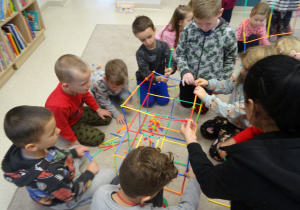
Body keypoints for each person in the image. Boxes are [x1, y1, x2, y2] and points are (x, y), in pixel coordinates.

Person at [181, 55, 300, 209]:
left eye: (244, 99)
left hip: (238, 133)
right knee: (208, 129)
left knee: (216, 150)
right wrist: (210, 83)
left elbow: (209, 182)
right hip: (233, 125)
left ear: (252, 106)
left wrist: (192, 142)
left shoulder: (247, 162)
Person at [2, 106, 116, 209]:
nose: (59, 131)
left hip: (59, 174)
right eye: (52, 133)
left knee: (78, 148)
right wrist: (89, 173)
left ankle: (73, 170)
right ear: (32, 146)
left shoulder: (26, 149)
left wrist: (73, 152)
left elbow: (54, 154)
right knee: (110, 174)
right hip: (66, 197)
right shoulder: (49, 176)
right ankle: (74, 203)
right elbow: (71, 193)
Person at [194, 45, 276, 161]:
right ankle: (225, 134)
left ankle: (236, 142)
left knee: (215, 152)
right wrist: (208, 83)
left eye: (247, 69)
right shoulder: (243, 79)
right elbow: (226, 85)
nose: (242, 70)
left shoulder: (256, 97)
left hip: (244, 128)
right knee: (205, 129)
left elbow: (231, 111)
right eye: (243, 66)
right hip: (231, 120)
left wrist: (207, 98)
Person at [91, 146, 201, 209]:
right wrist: (194, 179)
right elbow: (189, 206)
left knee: (117, 180)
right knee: (156, 183)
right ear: (145, 199)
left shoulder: (102, 190)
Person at [176, 0, 237, 111]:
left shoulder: (229, 33)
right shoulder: (188, 29)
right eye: (198, 22)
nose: (203, 27)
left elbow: (230, 59)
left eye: (208, 23)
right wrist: (184, 70)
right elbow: (180, 53)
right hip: (188, 78)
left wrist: (221, 82)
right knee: (186, 104)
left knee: (202, 109)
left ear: (220, 12)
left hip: (209, 82)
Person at [45, 54, 112, 147]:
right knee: (98, 137)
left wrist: (97, 109)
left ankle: (85, 122)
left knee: (107, 117)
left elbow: (87, 96)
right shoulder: (57, 105)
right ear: (66, 86)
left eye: (88, 80)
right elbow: (61, 126)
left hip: (78, 113)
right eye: (84, 83)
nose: (89, 84)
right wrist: (74, 140)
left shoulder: (77, 87)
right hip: (70, 124)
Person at [132, 16, 177, 107]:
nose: (148, 42)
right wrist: (159, 78)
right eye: (143, 40)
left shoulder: (163, 46)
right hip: (145, 79)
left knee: (164, 101)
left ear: (154, 30)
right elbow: (145, 73)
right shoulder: (140, 53)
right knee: (147, 103)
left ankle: (155, 88)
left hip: (159, 78)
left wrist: (170, 69)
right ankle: (142, 87)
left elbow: (172, 62)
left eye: (149, 36)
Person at [90, 59, 133, 125]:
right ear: (106, 79)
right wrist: (117, 114)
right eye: (115, 87)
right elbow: (104, 102)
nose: (118, 89)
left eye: (121, 86)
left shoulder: (123, 78)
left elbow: (124, 90)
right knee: (109, 106)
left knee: (128, 96)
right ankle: (111, 94)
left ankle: (114, 91)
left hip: (109, 88)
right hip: (99, 90)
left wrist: (126, 102)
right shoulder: (99, 84)